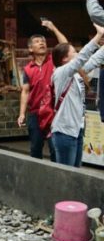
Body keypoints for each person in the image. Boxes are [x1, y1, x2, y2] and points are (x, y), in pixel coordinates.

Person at [49, 23, 104, 168]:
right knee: (67, 177)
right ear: (64, 59)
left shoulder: (76, 74)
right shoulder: (60, 73)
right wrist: (98, 35)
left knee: (76, 174)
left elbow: (94, 60)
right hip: (64, 132)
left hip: (77, 130)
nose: (78, 54)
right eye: (74, 52)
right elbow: (83, 57)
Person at [17, 21, 66, 160]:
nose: (41, 43)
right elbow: (25, 92)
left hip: (53, 112)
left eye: (43, 41)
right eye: (37, 41)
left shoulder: (54, 60)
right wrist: (21, 114)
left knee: (54, 148)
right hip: (35, 113)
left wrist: (54, 28)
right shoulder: (27, 69)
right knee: (35, 148)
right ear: (30, 48)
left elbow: (65, 45)